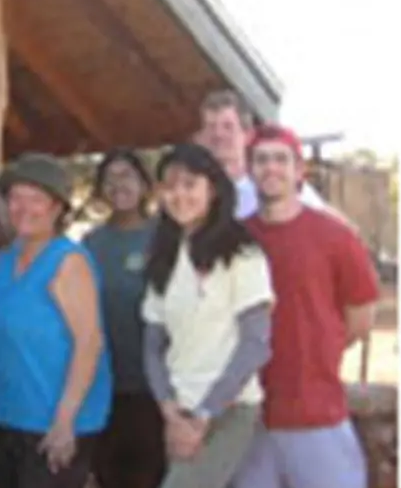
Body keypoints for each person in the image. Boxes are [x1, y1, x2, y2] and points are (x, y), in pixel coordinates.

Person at [233, 125, 378, 488]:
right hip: (248, 414)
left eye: (281, 159)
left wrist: (318, 349)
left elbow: (361, 315)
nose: (271, 168)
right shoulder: (233, 239)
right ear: (250, 170)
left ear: (300, 171)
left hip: (316, 412)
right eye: (261, 160)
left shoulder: (335, 237)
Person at [141, 143, 274, 488]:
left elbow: (255, 344)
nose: (178, 195)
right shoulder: (165, 256)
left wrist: (203, 417)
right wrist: (170, 410)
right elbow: (153, 346)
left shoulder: (241, 254)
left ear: (212, 189)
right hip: (178, 409)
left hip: (228, 409)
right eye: (169, 186)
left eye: (189, 184)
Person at [0, 153, 112, 488]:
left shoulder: (67, 261)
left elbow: (90, 342)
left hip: (52, 426)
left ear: (57, 208)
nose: (23, 208)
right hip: (9, 418)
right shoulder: (6, 262)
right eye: (15, 198)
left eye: (35, 199)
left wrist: (65, 421)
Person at [83, 149, 165, 488]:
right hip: (104, 386)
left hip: (155, 386)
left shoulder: (163, 237)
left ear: (145, 184)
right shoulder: (91, 243)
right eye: (110, 179)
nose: (119, 186)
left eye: (127, 176)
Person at [197, 90, 334, 220]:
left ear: (248, 134)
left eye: (228, 127)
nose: (218, 134)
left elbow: (330, 226)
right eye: (210, 126)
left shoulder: (278, 183)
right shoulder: (193, 190)